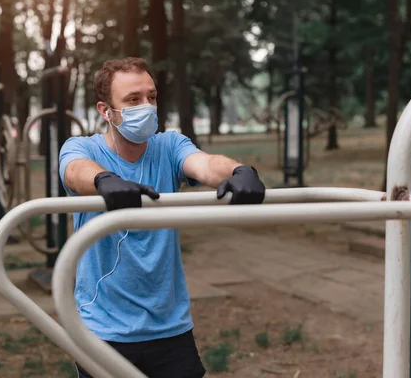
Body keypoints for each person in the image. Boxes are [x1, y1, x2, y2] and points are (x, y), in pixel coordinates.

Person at [59, 57, 266, 378]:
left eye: (151, 97)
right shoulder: (83, 148)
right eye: (133, 100)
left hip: (169, 326)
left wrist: (240, 170)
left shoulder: (168, 145)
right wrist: (105, 180)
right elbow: (74, 171)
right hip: (103, 329)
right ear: (106, 111)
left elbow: (205, 163)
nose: (147, 106)